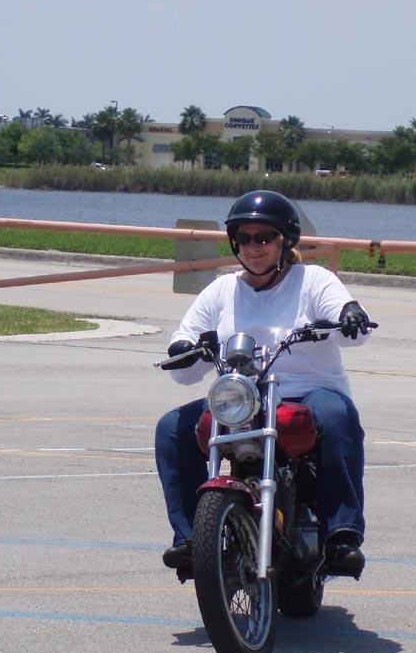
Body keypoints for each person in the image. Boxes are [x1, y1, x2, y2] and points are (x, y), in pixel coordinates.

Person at [154, 189, 374, 580]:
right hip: (241, 398)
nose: (253, 247)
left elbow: (348, 324)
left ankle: (341, 534)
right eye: (244, 238)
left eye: (264, 237)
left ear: (285, 241)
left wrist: (349, 315)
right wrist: (185, 349)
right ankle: (191, 539)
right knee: (172, 428)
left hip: (308, 391)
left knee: (337, 416)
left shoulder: (313, 280)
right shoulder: (221, 290)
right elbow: (184, 351)